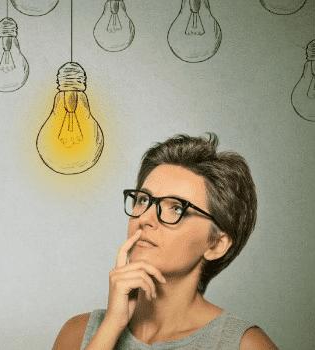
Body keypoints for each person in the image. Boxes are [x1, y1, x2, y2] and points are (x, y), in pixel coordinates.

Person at [52, 133, 278, 350]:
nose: (145, 218)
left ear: (216, 244)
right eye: (143, 200)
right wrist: (111, 326)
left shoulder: (244, 345)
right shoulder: (79, 334)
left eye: (177, 208)